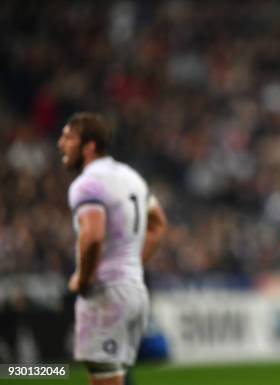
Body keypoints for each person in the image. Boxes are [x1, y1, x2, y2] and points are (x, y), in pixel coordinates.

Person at [58, 113, 167, 385]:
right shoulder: (131, 177)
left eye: (68, 137)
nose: (61, 144)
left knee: (105, 380)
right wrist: (132, 264)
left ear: (89, 146)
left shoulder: (86, 185)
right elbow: (159, 225)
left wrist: (83, 279)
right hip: (134, 292)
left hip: (106, 296)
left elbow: (93, 236)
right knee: (116, 377)